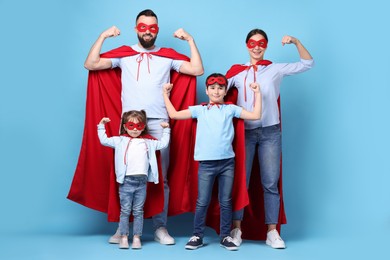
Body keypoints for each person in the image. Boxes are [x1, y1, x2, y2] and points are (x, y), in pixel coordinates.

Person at [68, 9, 203, 246]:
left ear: (157, 30)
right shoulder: (125, 55)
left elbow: (197, 70)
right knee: (126, 177)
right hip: (130, 125)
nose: (148, 32)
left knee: (161, 177)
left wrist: (190, 40)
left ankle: (161, 227)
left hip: (159, 123)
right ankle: (124, 229)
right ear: (136, 29)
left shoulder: (168, 56)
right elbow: (91, 64)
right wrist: (103, 36)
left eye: (152, 28)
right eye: (143, 27)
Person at [225, 29, 315, 249]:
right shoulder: (237, 73)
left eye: (261, 43)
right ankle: (236, 229)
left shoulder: (275, 69)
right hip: (244, 132)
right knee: (241, 182)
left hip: (270, 133)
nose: (257, 47)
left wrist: (295, 41)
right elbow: (219, 93)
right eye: (253, 43)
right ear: (247, 45)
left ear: (266, 45)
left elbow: (307, 63)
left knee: (270, 183)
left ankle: (272, 232)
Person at [162, 73, 262, 251]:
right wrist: (165, 95)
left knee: (226, 201)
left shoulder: (231, 109)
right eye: (213, 88)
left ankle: (225, 236)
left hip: (227, 163)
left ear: (225, 91)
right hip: (206, 164)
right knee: (202, 201)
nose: (216, 91)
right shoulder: (199, 110)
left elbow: (255, 115)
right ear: (206, 91)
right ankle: (197, 235)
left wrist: (257, 94)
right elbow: (174, 115)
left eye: (220, 88)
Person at [97, 110, 170, 249]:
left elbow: (163, 144)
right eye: (131, 125)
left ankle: (137, 237)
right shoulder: (120, 140)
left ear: (143, 126)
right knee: (125, 211)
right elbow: (104, 140)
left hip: (141, 183)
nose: (135, 129)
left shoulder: (148, 142)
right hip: (126, 182)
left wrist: (166, 130)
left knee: (138, 211)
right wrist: (101, 126)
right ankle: (124, 237)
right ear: (125, 126)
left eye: (139, 125)